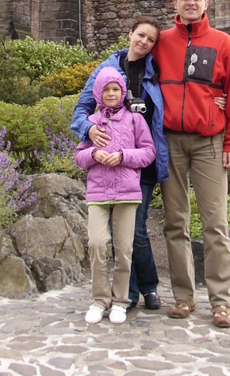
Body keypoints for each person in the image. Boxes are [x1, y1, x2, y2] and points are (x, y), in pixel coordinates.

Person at [154, 0, 230, 329]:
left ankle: (221, 302)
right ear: (175, 4)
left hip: (209, 142)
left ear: (206, 4)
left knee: (215, 224)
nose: (190, 2)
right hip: (171, 142)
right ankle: (183, 296)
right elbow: (134, 72)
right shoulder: (160, 42)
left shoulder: (223, 42)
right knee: (175, 222)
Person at [71, 17, 168, 311]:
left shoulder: (157, 70)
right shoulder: (108, 69)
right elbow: (82, 109)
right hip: (110, 168)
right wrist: (87, 131)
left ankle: (146, 287)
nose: (144, 42)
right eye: (141, 35)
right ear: (130, 35)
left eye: (151, 39)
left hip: (143, 160)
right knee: (120, 233)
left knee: (135, 229)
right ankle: (130, 292)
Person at [74, 67, 156, 324]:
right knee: (97, 244)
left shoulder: (134, 120)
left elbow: (148, 152)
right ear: (99, 91)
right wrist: (93, 155)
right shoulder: (92, 122)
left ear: (122, 91)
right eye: (106, 89)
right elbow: (79, 156)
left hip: (127, 192)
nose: (111, 93)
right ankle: (99, 300)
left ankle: (120, 300)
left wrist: (122, 157)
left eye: (116, 89)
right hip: (98, 192)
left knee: (123, 249)